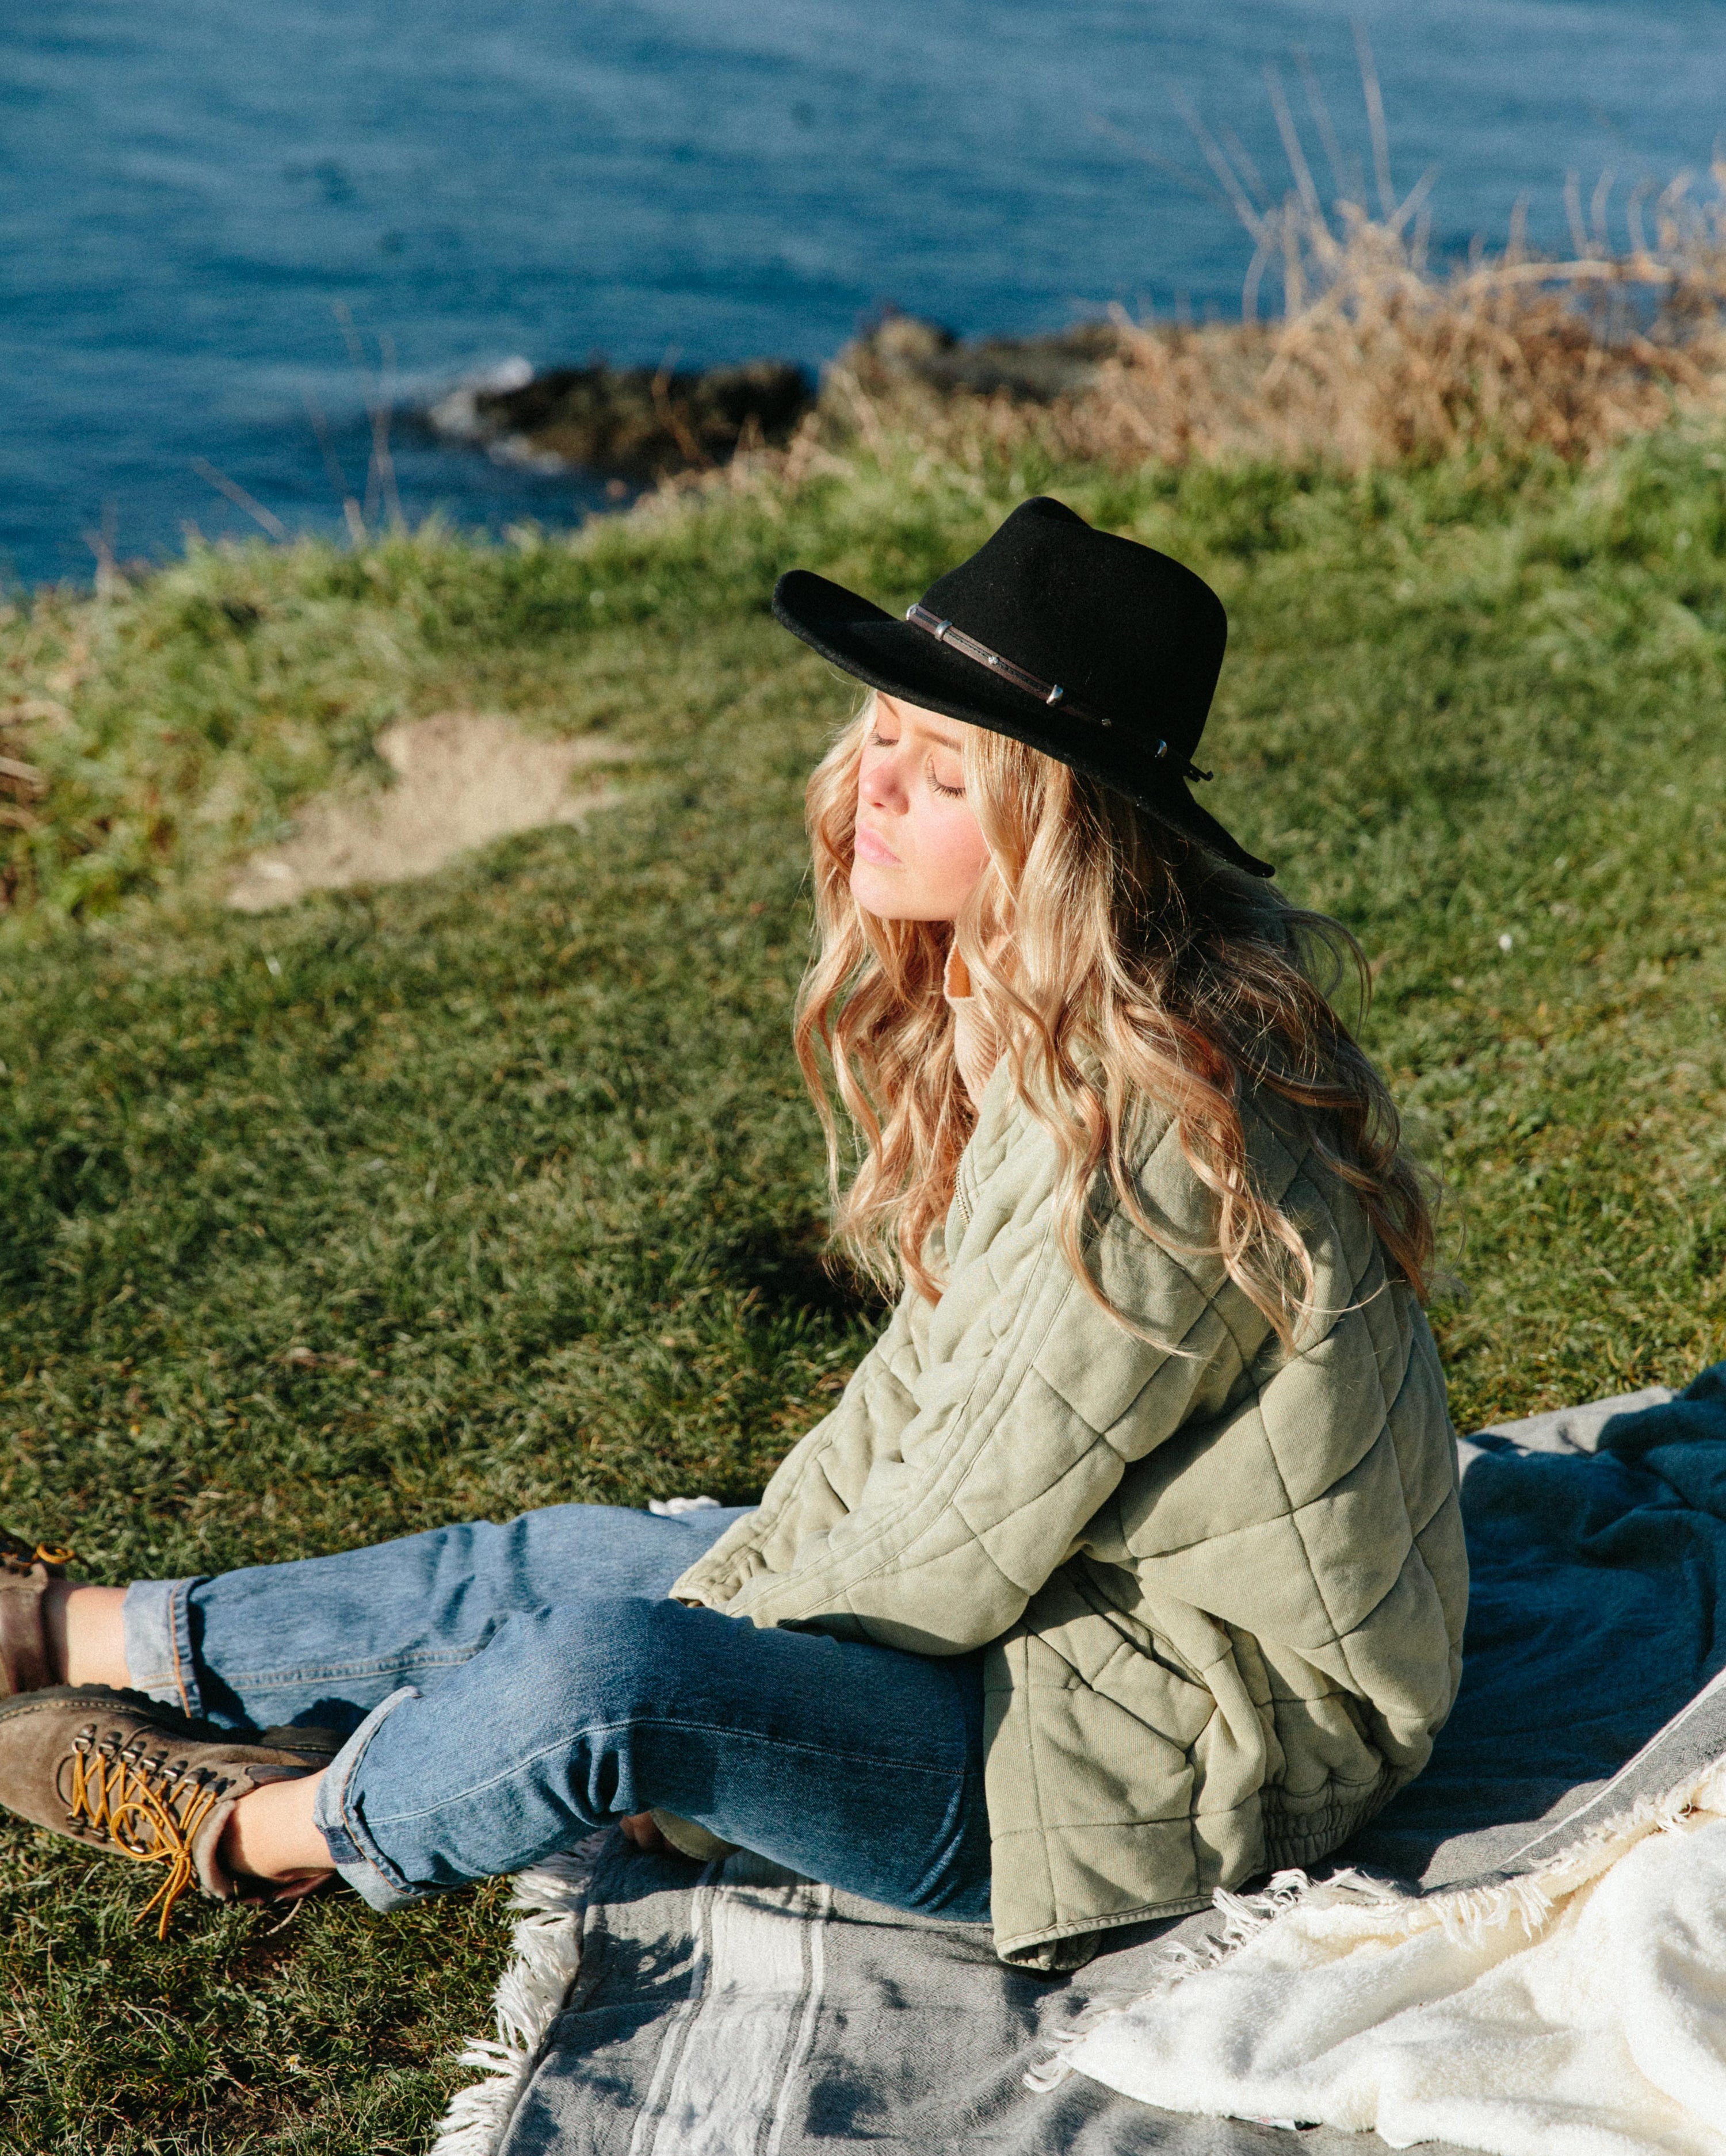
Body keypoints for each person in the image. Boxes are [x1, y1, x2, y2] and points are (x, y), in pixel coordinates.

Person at [0, 498, 1465, 1971]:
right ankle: (71, 1635)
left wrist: (707, 1701)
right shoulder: (1055, 1014)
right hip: (1064, 1623)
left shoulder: (1147, 1132)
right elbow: (920, 1394)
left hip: (1169, 1755)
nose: (873, 786)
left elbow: (954, 1537)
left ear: (1057, 829)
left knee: (620, 1673)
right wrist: (733, 1576)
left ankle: (252, 1828)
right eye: (882, 730)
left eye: (941, 769)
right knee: (589, 1561)